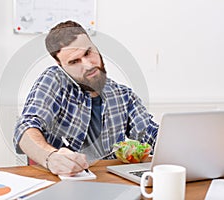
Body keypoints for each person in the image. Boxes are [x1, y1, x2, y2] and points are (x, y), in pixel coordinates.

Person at [14, 20, 158, 176]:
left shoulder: (123, 95)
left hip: (107, 181)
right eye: (74, 61)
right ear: (60, 65)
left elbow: (149, 133)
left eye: (88, 53)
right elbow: (25, 128)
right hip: (64, 182)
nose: (88, 65)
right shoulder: (54, 80)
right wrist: (50, 157)